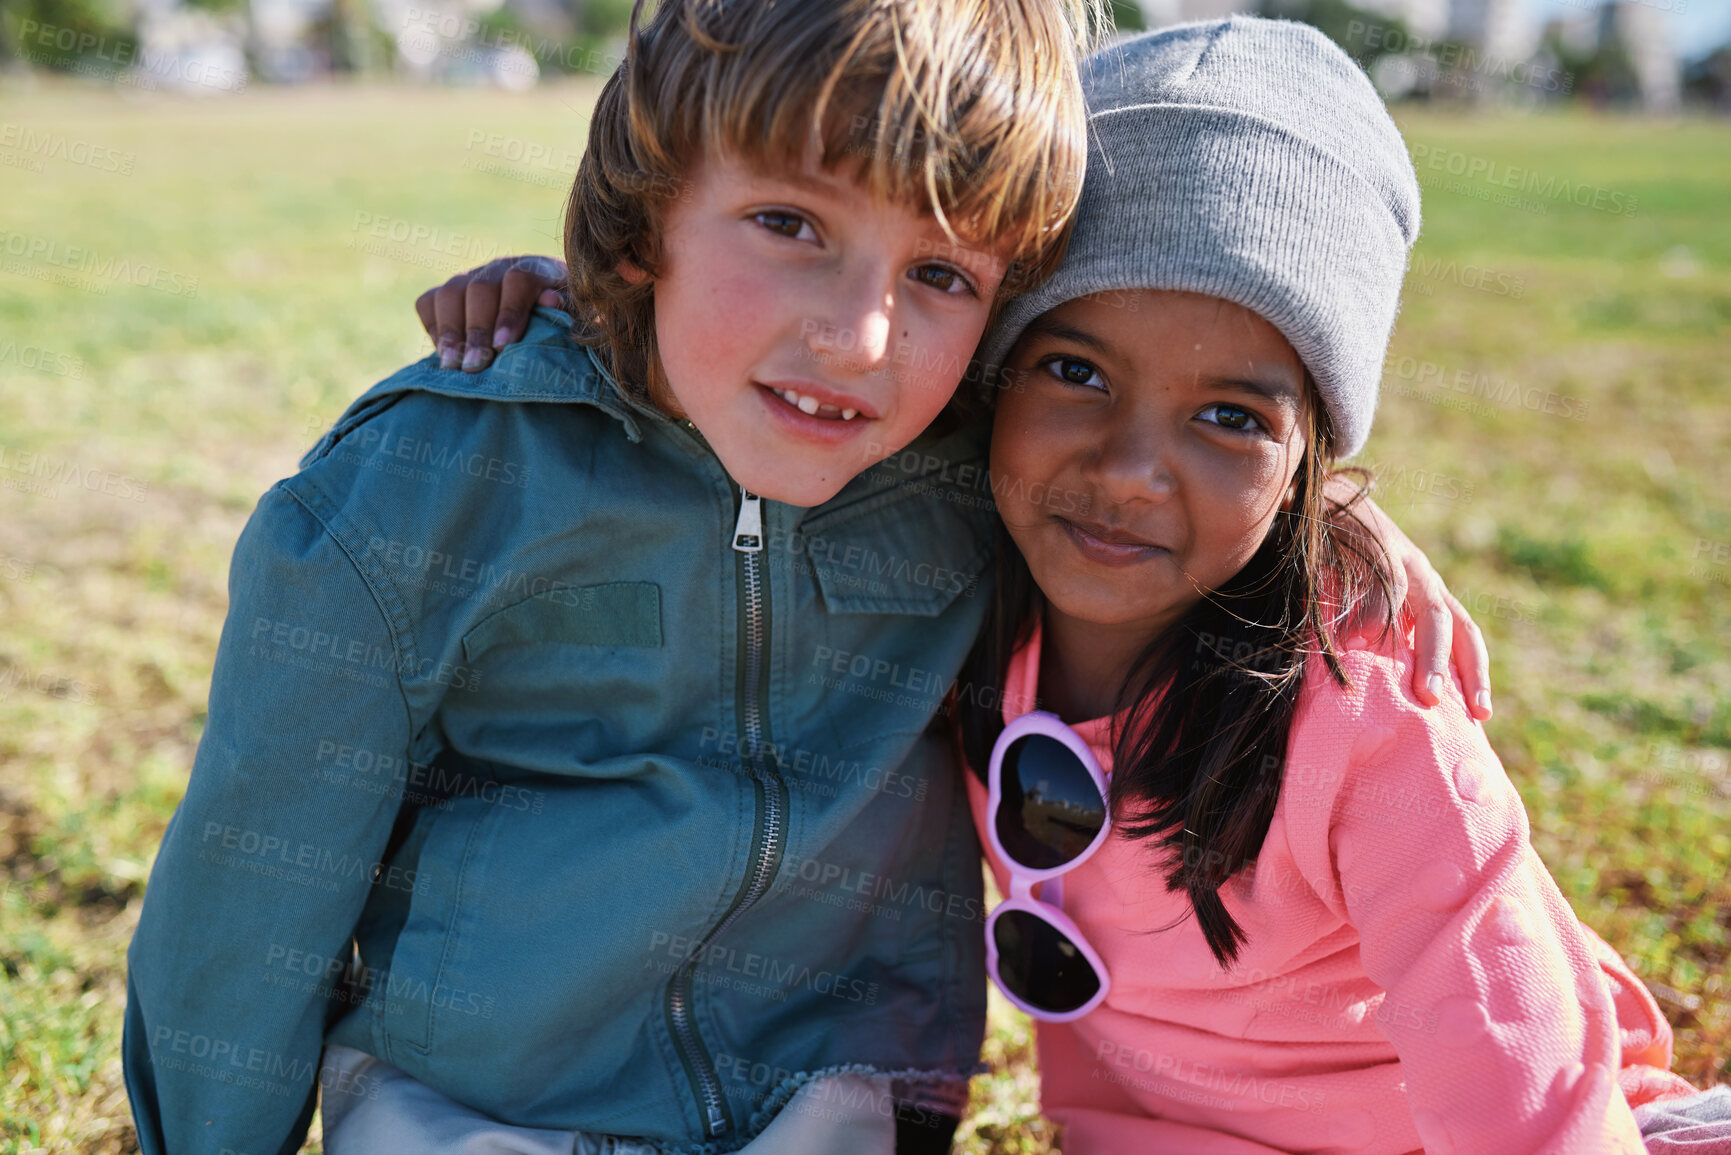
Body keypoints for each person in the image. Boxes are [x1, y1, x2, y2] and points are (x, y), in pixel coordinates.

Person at [122, 1, 1101, 1151]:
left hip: (826, 1107)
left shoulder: (984, 482)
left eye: (941, 273)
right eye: (789, 223)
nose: (861, 338)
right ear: (645, 224)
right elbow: (253, 878)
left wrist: (1304, 506)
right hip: (468, 1108)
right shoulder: (430, 484)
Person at [949, 18, 1713, 1153]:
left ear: (1313, 462)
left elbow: (1511, 1046)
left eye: (1229, 419)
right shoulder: (942, 582)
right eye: (1074, 370)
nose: (1129, 473)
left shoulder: (1365, 713)